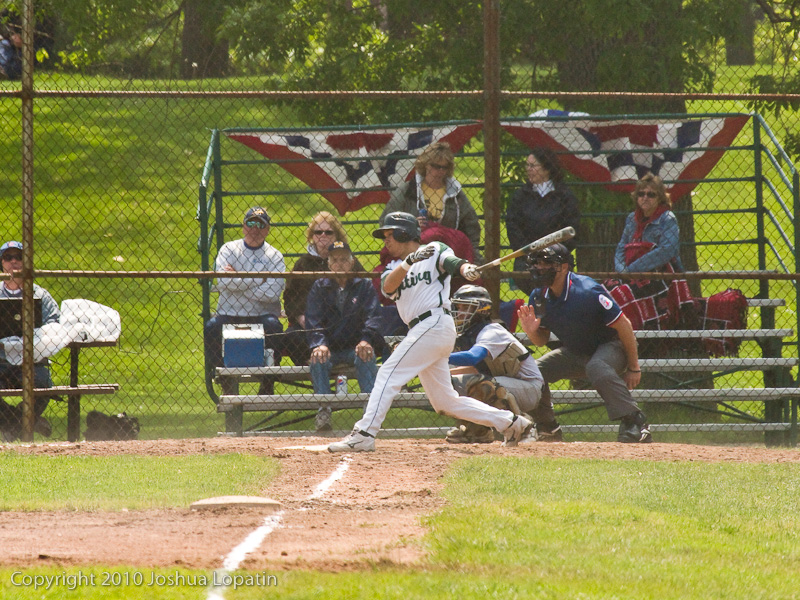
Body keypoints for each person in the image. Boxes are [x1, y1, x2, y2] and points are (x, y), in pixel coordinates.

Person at [328, 212, 532, 453]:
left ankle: (364, 433)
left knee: (387, 374)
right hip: (423, 330)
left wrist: (466, 268)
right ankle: (512, 423)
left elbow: (453, 262)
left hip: (434, 323)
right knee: (445, 402)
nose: (386, 240)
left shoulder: (434, 249)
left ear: (404, 233)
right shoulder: (393, 267)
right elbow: (387, 288)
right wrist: (408, 262)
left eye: (390, 234)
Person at [517, 243, 653, 443]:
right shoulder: (539, 296)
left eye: (546, 264)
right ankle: (547, 426)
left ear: (564, 267)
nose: (539, 268)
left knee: (596, 366)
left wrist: (634, 367)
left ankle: (635, 421)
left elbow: (624, 325)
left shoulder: (587, 291)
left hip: (612, 346)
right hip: (576, 351)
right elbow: (541, 340)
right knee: (533, 371)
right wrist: (531, 331)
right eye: (537, 264)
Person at [446, 285, 545, 444]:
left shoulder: (491, 331)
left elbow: (472, 357)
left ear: (481, 310)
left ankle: (525, 427)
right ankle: (478, 431)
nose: (460, 312)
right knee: (449, 381)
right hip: (507, 382)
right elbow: (476, 369)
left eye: (465, 307)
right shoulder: (471, 333)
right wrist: (434, 371)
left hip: (529, 387)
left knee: (481, 385)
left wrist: (437, 357)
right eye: (458, 307)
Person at [203, 207, 285, 388]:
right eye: (251, 223)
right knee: (211, 327)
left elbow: (271, 293)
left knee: (274, 327)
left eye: (260, 225)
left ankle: (268, 382)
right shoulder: (229, 249)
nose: (255, 229)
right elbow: (223, 281)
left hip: (262, 315)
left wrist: (237, 280)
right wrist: (258, 279)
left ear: (267, 229)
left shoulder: (275, 256)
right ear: (243, 226)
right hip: (229, 313)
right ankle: (224, 378)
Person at [306, 241, 382, 431]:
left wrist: (366, 340)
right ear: (328, 263)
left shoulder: (364, 285)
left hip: (355, 346)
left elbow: (373, 316)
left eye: (343, 260)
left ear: (352, 262)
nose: (339, 264)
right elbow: (313, 319)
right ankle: (324, 410)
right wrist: (319, 344)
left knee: (366, 353)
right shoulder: (319, 286)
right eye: (335, 260)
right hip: (329, 347)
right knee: (317, 358)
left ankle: (370, 412)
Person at [380, 141, 484, 264]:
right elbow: (385, 221)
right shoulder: (409, 190)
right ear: (426, 165)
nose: (440, 171)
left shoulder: (455, 194)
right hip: (414, 250)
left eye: (444, 167)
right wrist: (410, 225)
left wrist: (472, 252)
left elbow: (471, 225)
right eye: (436, 166)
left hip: (447, 250)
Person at [282, 211, 363, 366]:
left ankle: (336, 361)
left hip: (342, 325)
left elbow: (363, 291)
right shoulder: (303, 264)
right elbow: (290, 297)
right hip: (310, 326)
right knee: (291, 336)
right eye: (318, 232)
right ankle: (315, 366)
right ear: (312, 236)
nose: (323, 235)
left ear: (337, 236)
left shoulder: (349, 261)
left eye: (328, 232)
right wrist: (300, 317)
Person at [0, 241, 57, 440]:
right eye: (8, 257)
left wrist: (37, 337)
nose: (14, 261)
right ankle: (25, 421)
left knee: (43, 383)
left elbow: (54, 323)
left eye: (19, 257)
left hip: (32, 360)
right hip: (1, 360)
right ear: (1, 263)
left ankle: (12, 425)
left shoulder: (40, 295)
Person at [505, 147, 580, 294]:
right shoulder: (521, 196)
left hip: (556, 259)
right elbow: (513, 226)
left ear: (547, 169)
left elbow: (572, 228)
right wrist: (529, 252)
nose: (528, 169)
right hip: (527, 260)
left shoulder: (564, 196)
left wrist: (553, 254)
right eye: (527, 165)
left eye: (533, 166)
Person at [614, 173, 683, 273]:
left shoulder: (667, 219)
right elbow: (621, 247)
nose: (645, 198)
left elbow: (666, 251)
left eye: (651, 195)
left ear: (660, 198)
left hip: (660, 275)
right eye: (641, 194)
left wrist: (632, 270)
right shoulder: (632, 218)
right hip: (629, 273)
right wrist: (621, 269)